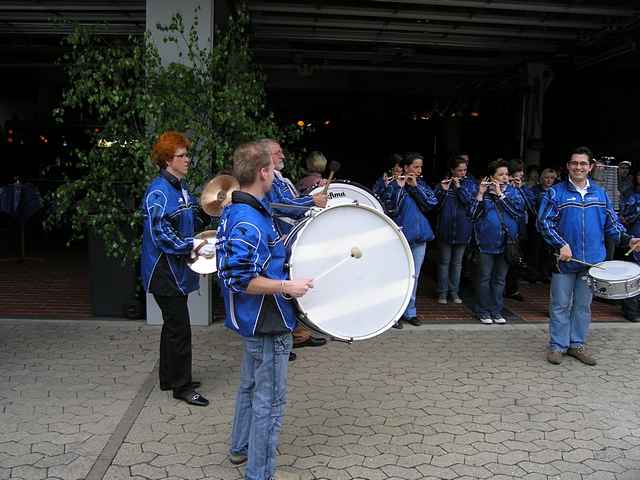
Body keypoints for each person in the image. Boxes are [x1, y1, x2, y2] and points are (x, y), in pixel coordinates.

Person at [216, 141, 312, 480]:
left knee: (249, 388)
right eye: (272, 168)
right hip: (266, 322)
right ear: (262, 172)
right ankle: (260, 474)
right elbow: (238, 277)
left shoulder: (237, 210)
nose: (275, 174)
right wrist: (288, 286)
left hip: (250, 320)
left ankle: (241, 449)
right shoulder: (249, 220)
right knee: (269, 404)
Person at [538, 146, 640, 365]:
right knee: (560, 304)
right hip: (564, 260)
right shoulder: (556, 192)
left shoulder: (600, 193)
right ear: (568, 166)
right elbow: (544, 223)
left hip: (592, 262)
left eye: (583, 164)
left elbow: (612, 224)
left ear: (591, 167)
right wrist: (561, 244)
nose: (578, 167)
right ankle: (557, 346)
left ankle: (576, 344)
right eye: (574, 163)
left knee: (583, 306)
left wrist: (628, 239)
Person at [141, 131, 210, 407]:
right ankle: (182, 387)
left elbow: (194, 213)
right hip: (163, 270)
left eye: (186, 154)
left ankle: (169, 377)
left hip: (174, 270)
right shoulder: (158, 191)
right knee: (180, 328)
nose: (187, 160)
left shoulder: (179, 188)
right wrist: (193, 245)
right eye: (182, 156)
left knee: (172, 325)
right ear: (167, 160)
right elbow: (160, 236)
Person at [260, 138, 327, 351]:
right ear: (265, 157)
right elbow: (283, 207)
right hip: (280, 238)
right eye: (278, 152)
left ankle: (293, 335)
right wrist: (311, 201)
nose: (283, 156)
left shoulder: (278, 178)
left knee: (288, 288)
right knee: (282, 290)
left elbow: (291, 202)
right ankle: (283, 341)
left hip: (287, 238)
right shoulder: (268, 179)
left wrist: (313, 195)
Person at [383, 152, 438, 328]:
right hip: (399, 238)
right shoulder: (392, 185)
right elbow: (390, 209)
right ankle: (394, 314)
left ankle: (410, 311)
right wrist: (399, 188)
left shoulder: (421, 184)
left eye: (420, 167)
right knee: (397, 276)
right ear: (406, 168)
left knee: (414, 276)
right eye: (415, 166)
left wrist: (415, 187)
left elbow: (432, 203)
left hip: (420, 237)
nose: (419, 170)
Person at [469, 159, 525, 324]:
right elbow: (472, 215)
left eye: (506, 174)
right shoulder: (483, 193)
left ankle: (496, 310)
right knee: (484, 278)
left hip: (506, 243)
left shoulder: (513, 192)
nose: (505, 177)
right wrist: (480, 194)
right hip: (486, 243)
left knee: (500, 279)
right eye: (500, 174)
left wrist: (501, 195)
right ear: (491, 177)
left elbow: (518, 212)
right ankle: (483, 310)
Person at [434, 155, 476, 305]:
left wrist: (459, 187)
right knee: (444, 262)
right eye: (459, 170)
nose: (462, 173)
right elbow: (434, 205)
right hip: (445, 229)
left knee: (457, 264)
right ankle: (442, 292)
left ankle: (454, 292)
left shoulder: (470, 184)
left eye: (464, 170)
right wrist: (444, 190)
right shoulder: (443, 183)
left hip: (463, 229)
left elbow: (469, 202)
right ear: (452, 170)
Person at [619, 169, 640, 322]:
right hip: (635, 238)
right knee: (633, 274)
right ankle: (630, 310)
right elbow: (624, 217)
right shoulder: (630, 194)